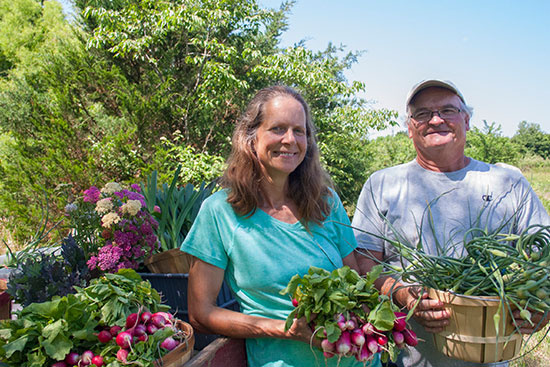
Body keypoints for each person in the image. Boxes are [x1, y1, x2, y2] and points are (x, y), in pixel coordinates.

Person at [351, 79, 550, 367]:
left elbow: (544, 257)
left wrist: (543, 305)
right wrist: (405, 295)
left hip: (492, 358)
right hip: (410, 360)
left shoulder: (508, 182)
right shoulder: (383, 184)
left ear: (466, 120)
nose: (436, 120)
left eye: (448, 110)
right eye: (422, 113)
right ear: (409, 127)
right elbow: (364, 262)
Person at [181, 85, 375, 367]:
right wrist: (285, 329)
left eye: (299, 131)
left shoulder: (326, 202)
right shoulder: (221, 211)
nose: (290, 139)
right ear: (251, 136)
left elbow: (354, 279)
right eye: (278, 128)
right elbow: (200, 313)